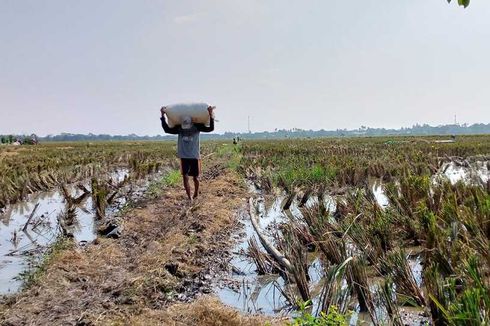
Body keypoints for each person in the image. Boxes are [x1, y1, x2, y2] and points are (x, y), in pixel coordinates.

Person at [160, 106, 215, 201]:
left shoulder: (197, 127)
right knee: (185, 177)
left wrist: (210, 114)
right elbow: (166, 129)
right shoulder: (179, 128)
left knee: (195, 178)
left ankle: (196, 193)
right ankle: (189, 197)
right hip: (184, 156)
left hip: (194, 156)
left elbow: (210, 128)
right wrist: (162, 116)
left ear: (191, 122)